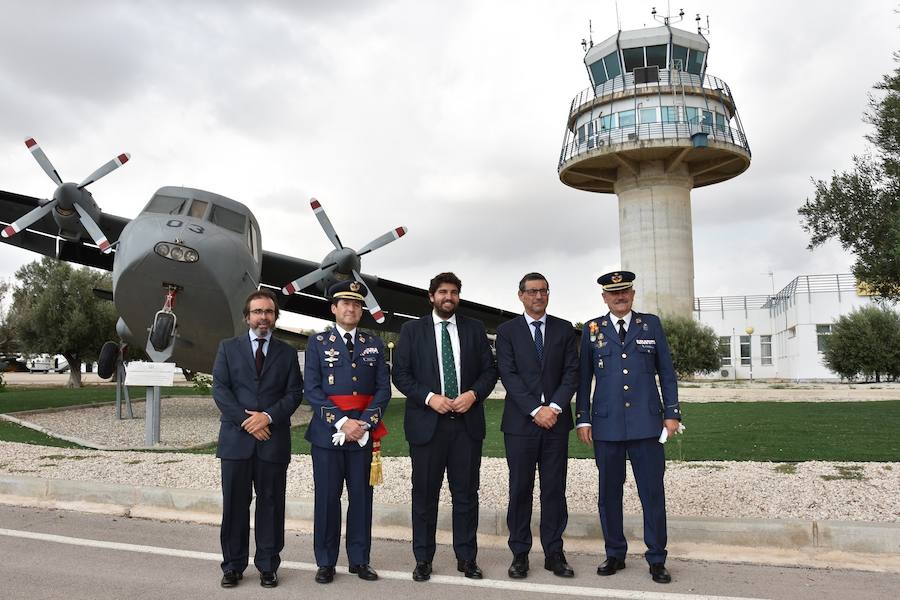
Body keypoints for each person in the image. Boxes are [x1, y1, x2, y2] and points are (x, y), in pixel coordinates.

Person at [575, 271, 682, 584]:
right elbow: (583, 379)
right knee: (609, 495)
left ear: (633, 294)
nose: (619, 297)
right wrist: (583, 417)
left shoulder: (651, 325)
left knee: (652, 493)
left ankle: (657, 559)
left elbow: (667, 372)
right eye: (613, 293)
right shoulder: (592, 329)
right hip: (606, 426)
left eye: (624, 292)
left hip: (648, 425)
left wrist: (672, 413)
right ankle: (615, 553)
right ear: (604, 298)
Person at [392, 272, 498, 582]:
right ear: (431, 296)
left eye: (453, 292)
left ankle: (467, 558)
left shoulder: (475, 329)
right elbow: (401, 373)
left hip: (466, 426)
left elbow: (489, 371)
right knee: (425, 496)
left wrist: (473, 394)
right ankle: (423, 559)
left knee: (466, 496)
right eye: (442, 292)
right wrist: (429, 398)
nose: (448, 297)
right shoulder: (412, 330)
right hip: (428, 426)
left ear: (458, 297)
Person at [213, 288, 303, 589]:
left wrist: (268, 417)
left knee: (271, 505)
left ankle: (267, 565)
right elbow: (221, 391)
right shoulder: (227, 348)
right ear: (247, 316)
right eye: (257, 311)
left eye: (268, 311)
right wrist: (247, 421)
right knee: (235, 506)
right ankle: (233, 566)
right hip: (236, 442)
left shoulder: (288, 353)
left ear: (275, 316)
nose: (263, 317)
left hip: (272, 441)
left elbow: (294, 393)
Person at [304, 280, 391, 584]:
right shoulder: (317, 343)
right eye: (345, 303)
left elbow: (383, 389)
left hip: (364, 435)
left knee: (361, 499)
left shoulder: (374, 344)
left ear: (361, 310)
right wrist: (342, 422)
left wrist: (364, 422)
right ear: (334, 309)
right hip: (328, 435)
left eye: (356, 304)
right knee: (328, 500)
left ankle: (359, 559)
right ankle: (326, 561)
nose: (351, 308)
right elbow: (312, 390)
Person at [495, 272, 578, 579]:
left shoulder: (564, 329)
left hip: (555, 423)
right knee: (520, 489)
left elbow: (572, 372)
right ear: (521, 296)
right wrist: (534, 409)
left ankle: (554, 552)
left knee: (554, 490)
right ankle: (519, 553)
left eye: (543, 291)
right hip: (520, 425)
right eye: (532, 292)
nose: (538, 297)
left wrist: (553, 408)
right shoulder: (507, 332)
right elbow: (509, 374)